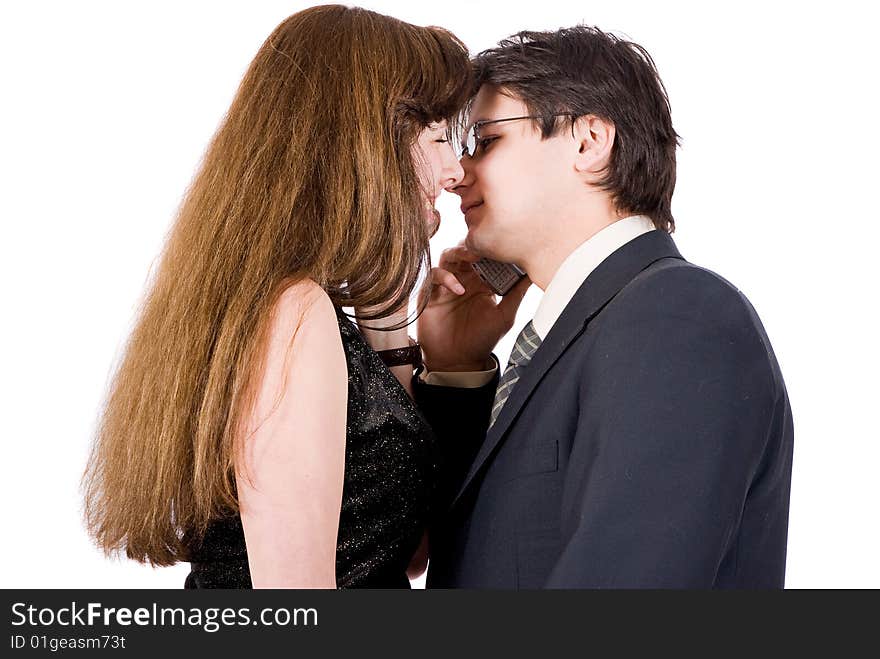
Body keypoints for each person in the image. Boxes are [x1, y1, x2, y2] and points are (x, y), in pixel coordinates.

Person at [81, 5, 470, 588]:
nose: (454, 169)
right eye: (439, 137)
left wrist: (389, 324)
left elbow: (402, 553)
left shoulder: (295, 312)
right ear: (362, 144)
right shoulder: (295, 315)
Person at [413, 26, 795, 588]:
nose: (457, 175)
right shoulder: (590, 333)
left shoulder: (681, 316)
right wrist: (457, 371)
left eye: (485, 142)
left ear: (589, 142)